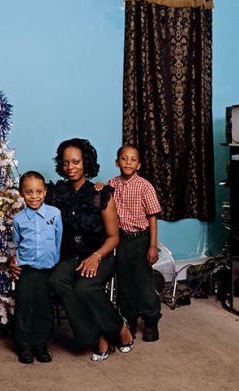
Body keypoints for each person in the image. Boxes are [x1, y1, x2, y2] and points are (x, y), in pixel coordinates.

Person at [44, 138, 133, 361]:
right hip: (70, 255)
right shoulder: (55, 194)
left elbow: (114, 237)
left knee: (84, 287)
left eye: (75, 162)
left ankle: (119, 327)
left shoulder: (101, 194)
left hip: (101, 253)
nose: (70, 167)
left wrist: (95, 257)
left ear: (86, 163)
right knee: (56, 280)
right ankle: (96, 335)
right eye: (65, 163)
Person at [107, 144, 162, 342]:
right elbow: (102, 199)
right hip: (121, 241)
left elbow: (153, 217)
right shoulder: (111, 184)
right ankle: (128, 318)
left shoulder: (145, 186)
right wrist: (98, 188)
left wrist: (153, 246)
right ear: (117, 162)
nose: (128, 162)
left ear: (138, 165)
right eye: (124, 158)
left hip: (141, 240)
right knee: (125, 282)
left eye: (132, 159)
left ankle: (151, 320)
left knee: (144, 283)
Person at [11, 171, 63, 364]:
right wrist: (14, 261)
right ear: (22, 194)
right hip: (26, 270)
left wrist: (55, 264)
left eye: (38, 191)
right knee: (24, 307)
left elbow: (58, 241)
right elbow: (15, 245)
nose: (34, 196)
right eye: (29, 192)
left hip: (47, 270)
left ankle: (41, 344)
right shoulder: (18, 220)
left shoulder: (54, 214)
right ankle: (24, 345)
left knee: (43, 308)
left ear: (45, 192)